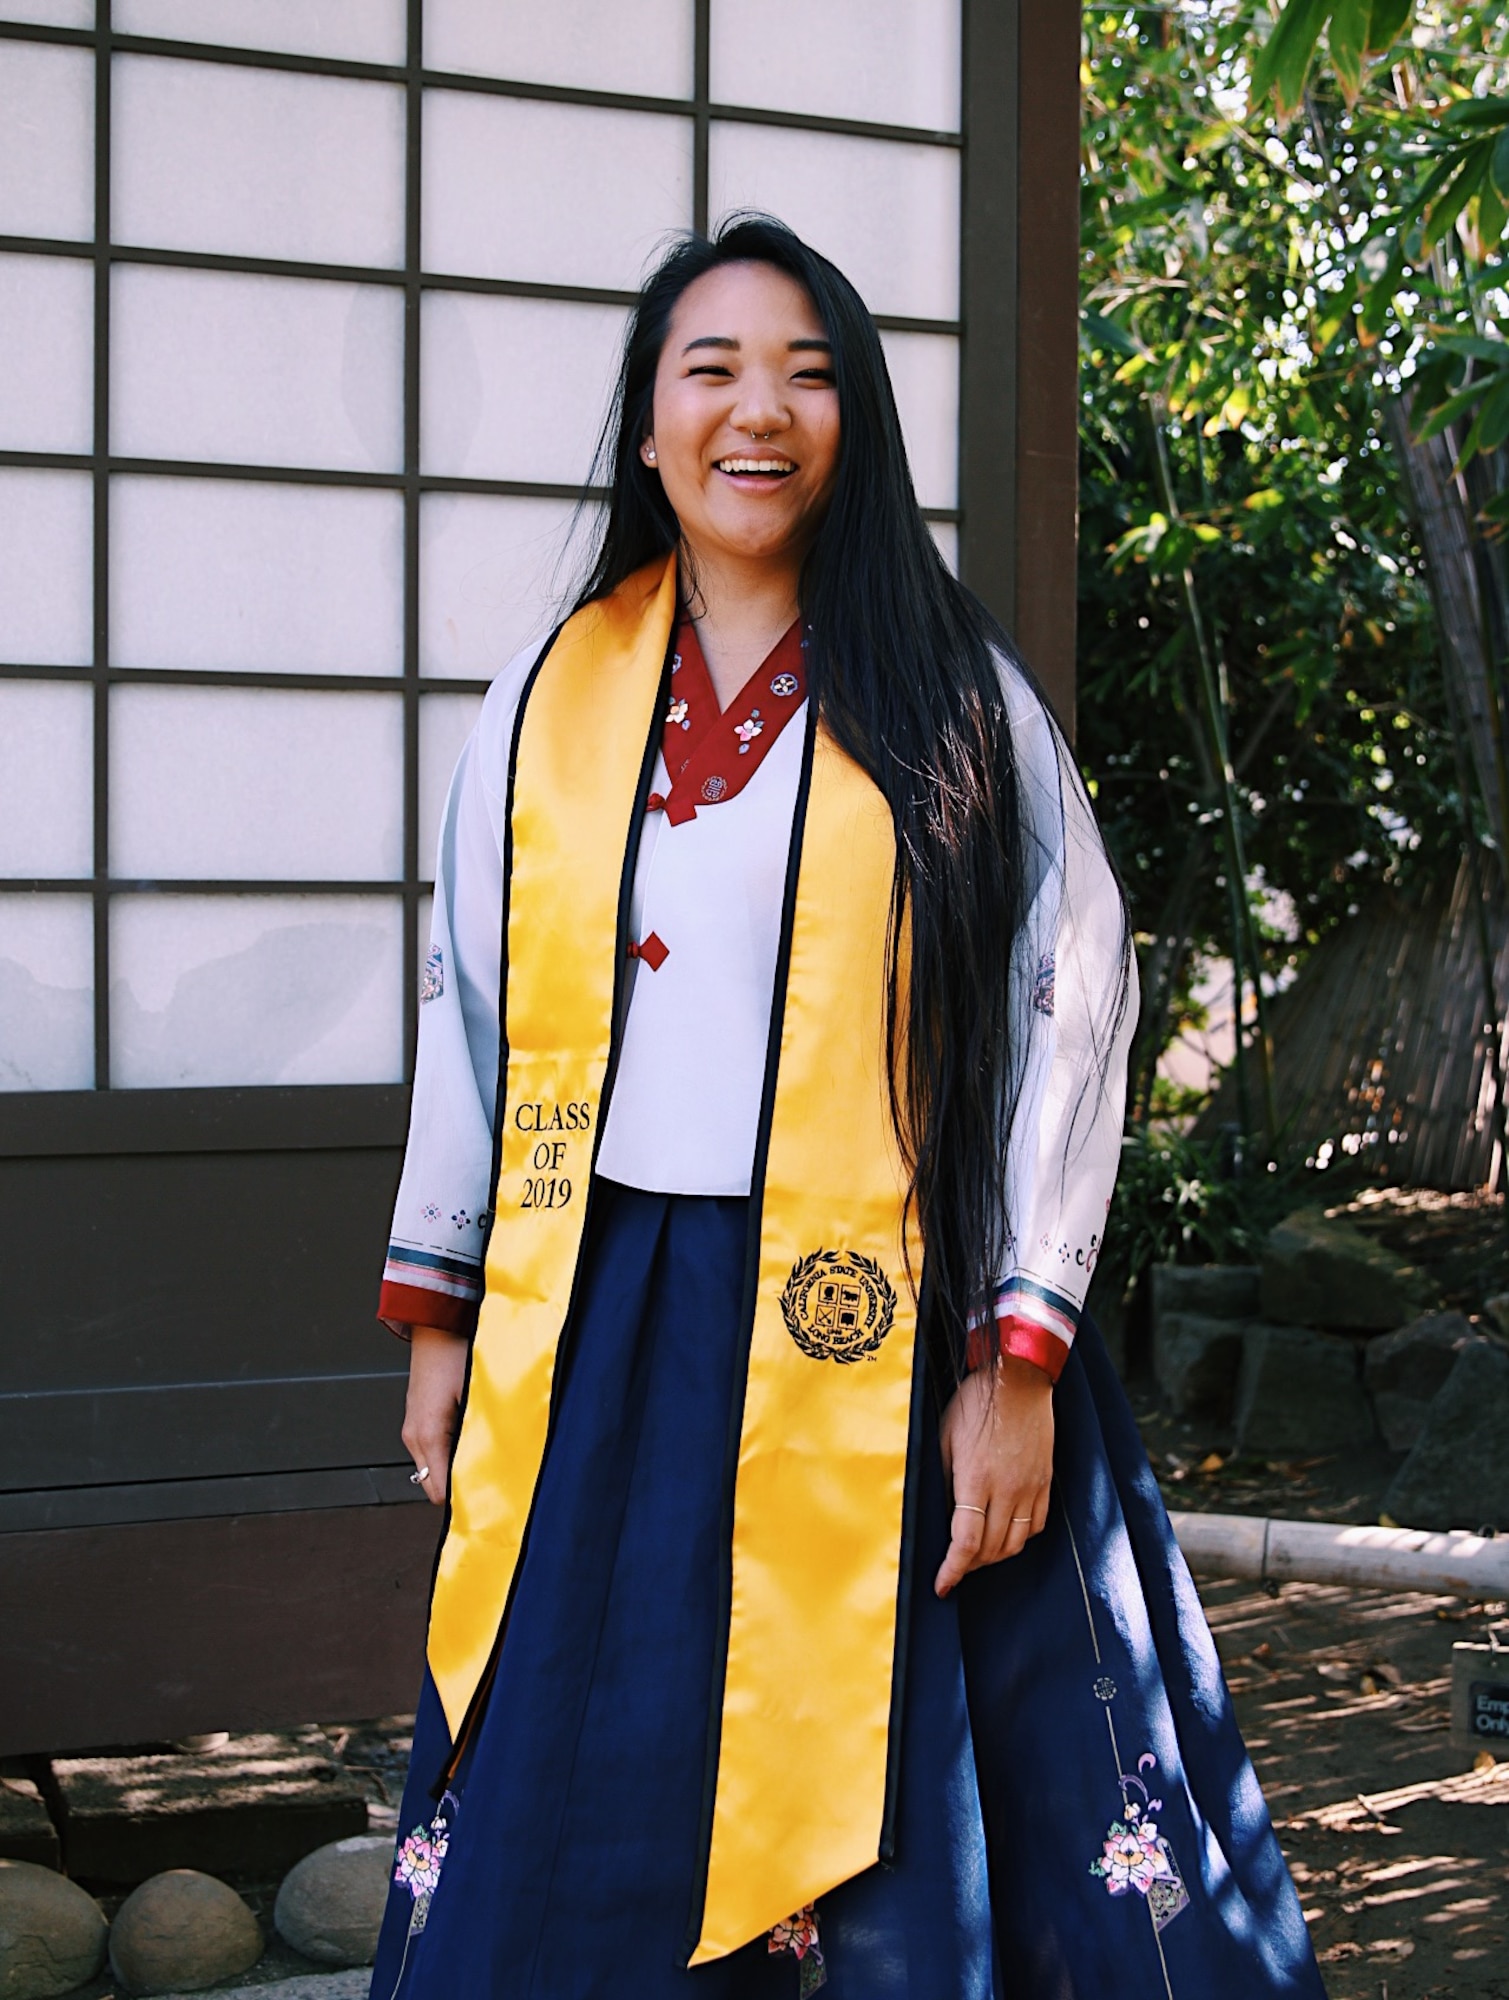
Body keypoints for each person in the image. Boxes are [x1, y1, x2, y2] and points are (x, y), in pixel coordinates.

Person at [368, 216, 1324, 2000]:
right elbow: (470, 1016)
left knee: (955, 1811)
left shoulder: (949, 690)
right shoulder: (541, 703)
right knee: (586, 1752)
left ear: (857, 421)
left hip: (890, 1329)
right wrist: (445, 1316)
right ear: (647, 424)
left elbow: (1071, 998)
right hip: (605, 1326)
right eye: (711, 370)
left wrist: (1013, 1360)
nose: (760, 412)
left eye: (808, 374)